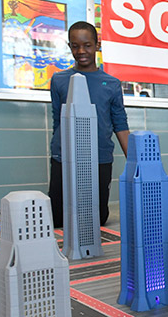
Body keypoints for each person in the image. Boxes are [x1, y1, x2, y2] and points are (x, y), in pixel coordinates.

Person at [48, 21, 130, 228]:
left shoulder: (111, 83)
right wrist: (57, 152)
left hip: (99, 157)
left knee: (96, 219)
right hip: (64, 157)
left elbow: (120, 124)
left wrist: (137, 162)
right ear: (69, 46)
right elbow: (57, 119)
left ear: (97, 45)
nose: (81, 51)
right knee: (57, 218)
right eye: (75, 46)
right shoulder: (59, 80)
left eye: (87, 45)